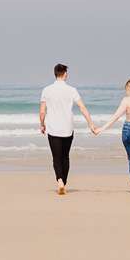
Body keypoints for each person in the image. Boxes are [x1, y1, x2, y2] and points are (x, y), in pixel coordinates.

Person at [38, 64, 95, 196]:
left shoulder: (46, 90)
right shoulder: (72, 90)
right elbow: (82, 107)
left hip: (53, 128)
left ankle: (59, 181)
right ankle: (64, 181)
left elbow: (42, 111)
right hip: (68, 128)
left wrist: (42, 124)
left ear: (55, 74)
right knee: (65, 157)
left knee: (56, 157)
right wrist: (91, 124)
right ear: (64, 74)